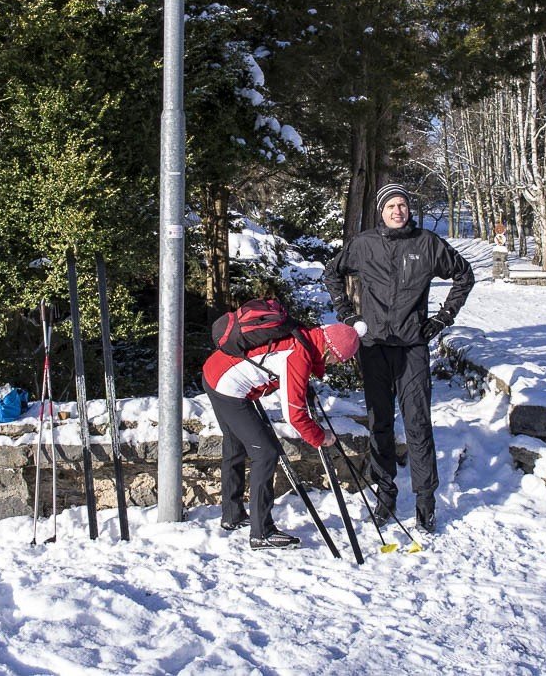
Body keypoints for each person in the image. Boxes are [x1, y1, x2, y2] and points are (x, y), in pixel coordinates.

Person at [322, 183, 475, 533]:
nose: (397, 211)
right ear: (381, 211)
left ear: (409, 209)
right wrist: (347, 316)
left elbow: (464, 276)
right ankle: (385, 495)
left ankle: (425, 503)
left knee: (418, 424)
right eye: (391, 205)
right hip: (373, 346)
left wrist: (442, 318)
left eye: (402, 204)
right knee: (380, 423)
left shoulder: (427, 244)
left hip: (412, 348)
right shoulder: (364, 245)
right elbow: (332, 273)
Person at [202, 322, 361, 550]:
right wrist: (319, 437)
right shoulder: (299, 354)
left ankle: (232, 515)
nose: (335, 365)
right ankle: (262, 532)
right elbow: (294, 415)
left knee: (235, 446)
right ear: (330, 350)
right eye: (338, 360)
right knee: (265, 454)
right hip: (227, 386)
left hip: (216, 372)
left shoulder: (305, 336)